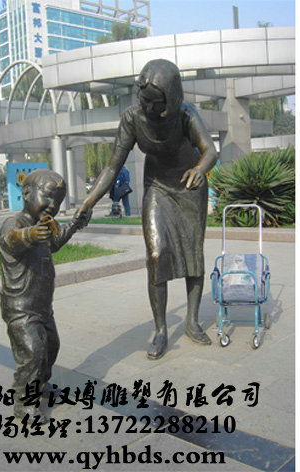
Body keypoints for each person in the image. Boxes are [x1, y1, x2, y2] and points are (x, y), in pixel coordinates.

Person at [75, 59, 217, 360]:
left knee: (193, 254)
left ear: (171, 99)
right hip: (157, 187)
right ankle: (161, 329)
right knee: (156, 254)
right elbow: (113, 166)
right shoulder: (132, 118)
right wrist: (89, 201)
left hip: (189, 187)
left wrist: (200, 169)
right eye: (144, 99)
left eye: (156, 103)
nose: (148, 107)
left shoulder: (186, 114)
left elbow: (209, 150)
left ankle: (191, 321)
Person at [0, 169, 90, 420]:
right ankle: (24, 403)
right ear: (27, 193)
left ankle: (41, 384)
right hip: (20, 306)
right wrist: (29, 235)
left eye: (57, 201)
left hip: (42, 306)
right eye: (47, 196)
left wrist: (75, 224)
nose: (52, 205)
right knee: (33, 353)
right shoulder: (16, 223)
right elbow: (10, 240)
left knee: (50, 347)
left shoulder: (46, 225)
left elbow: (54, 243)